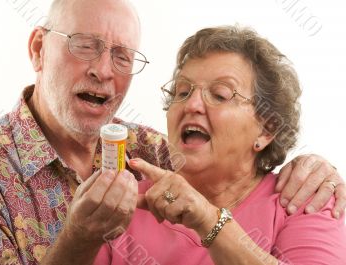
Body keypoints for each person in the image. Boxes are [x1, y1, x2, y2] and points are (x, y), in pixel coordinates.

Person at [0, 0, 344, 264]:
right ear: (38, 49)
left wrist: (317, 164)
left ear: (268, 127)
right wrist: (80, 237)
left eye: (121, 56)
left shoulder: (149, 155)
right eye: (85, 45)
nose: (103, 70)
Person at [94, 25, 346, 264]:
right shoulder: (126, 202)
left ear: (267, 129)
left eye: (220, 95)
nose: (191, 105)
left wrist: (209, 220)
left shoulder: (303, 200)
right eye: (182, 92)